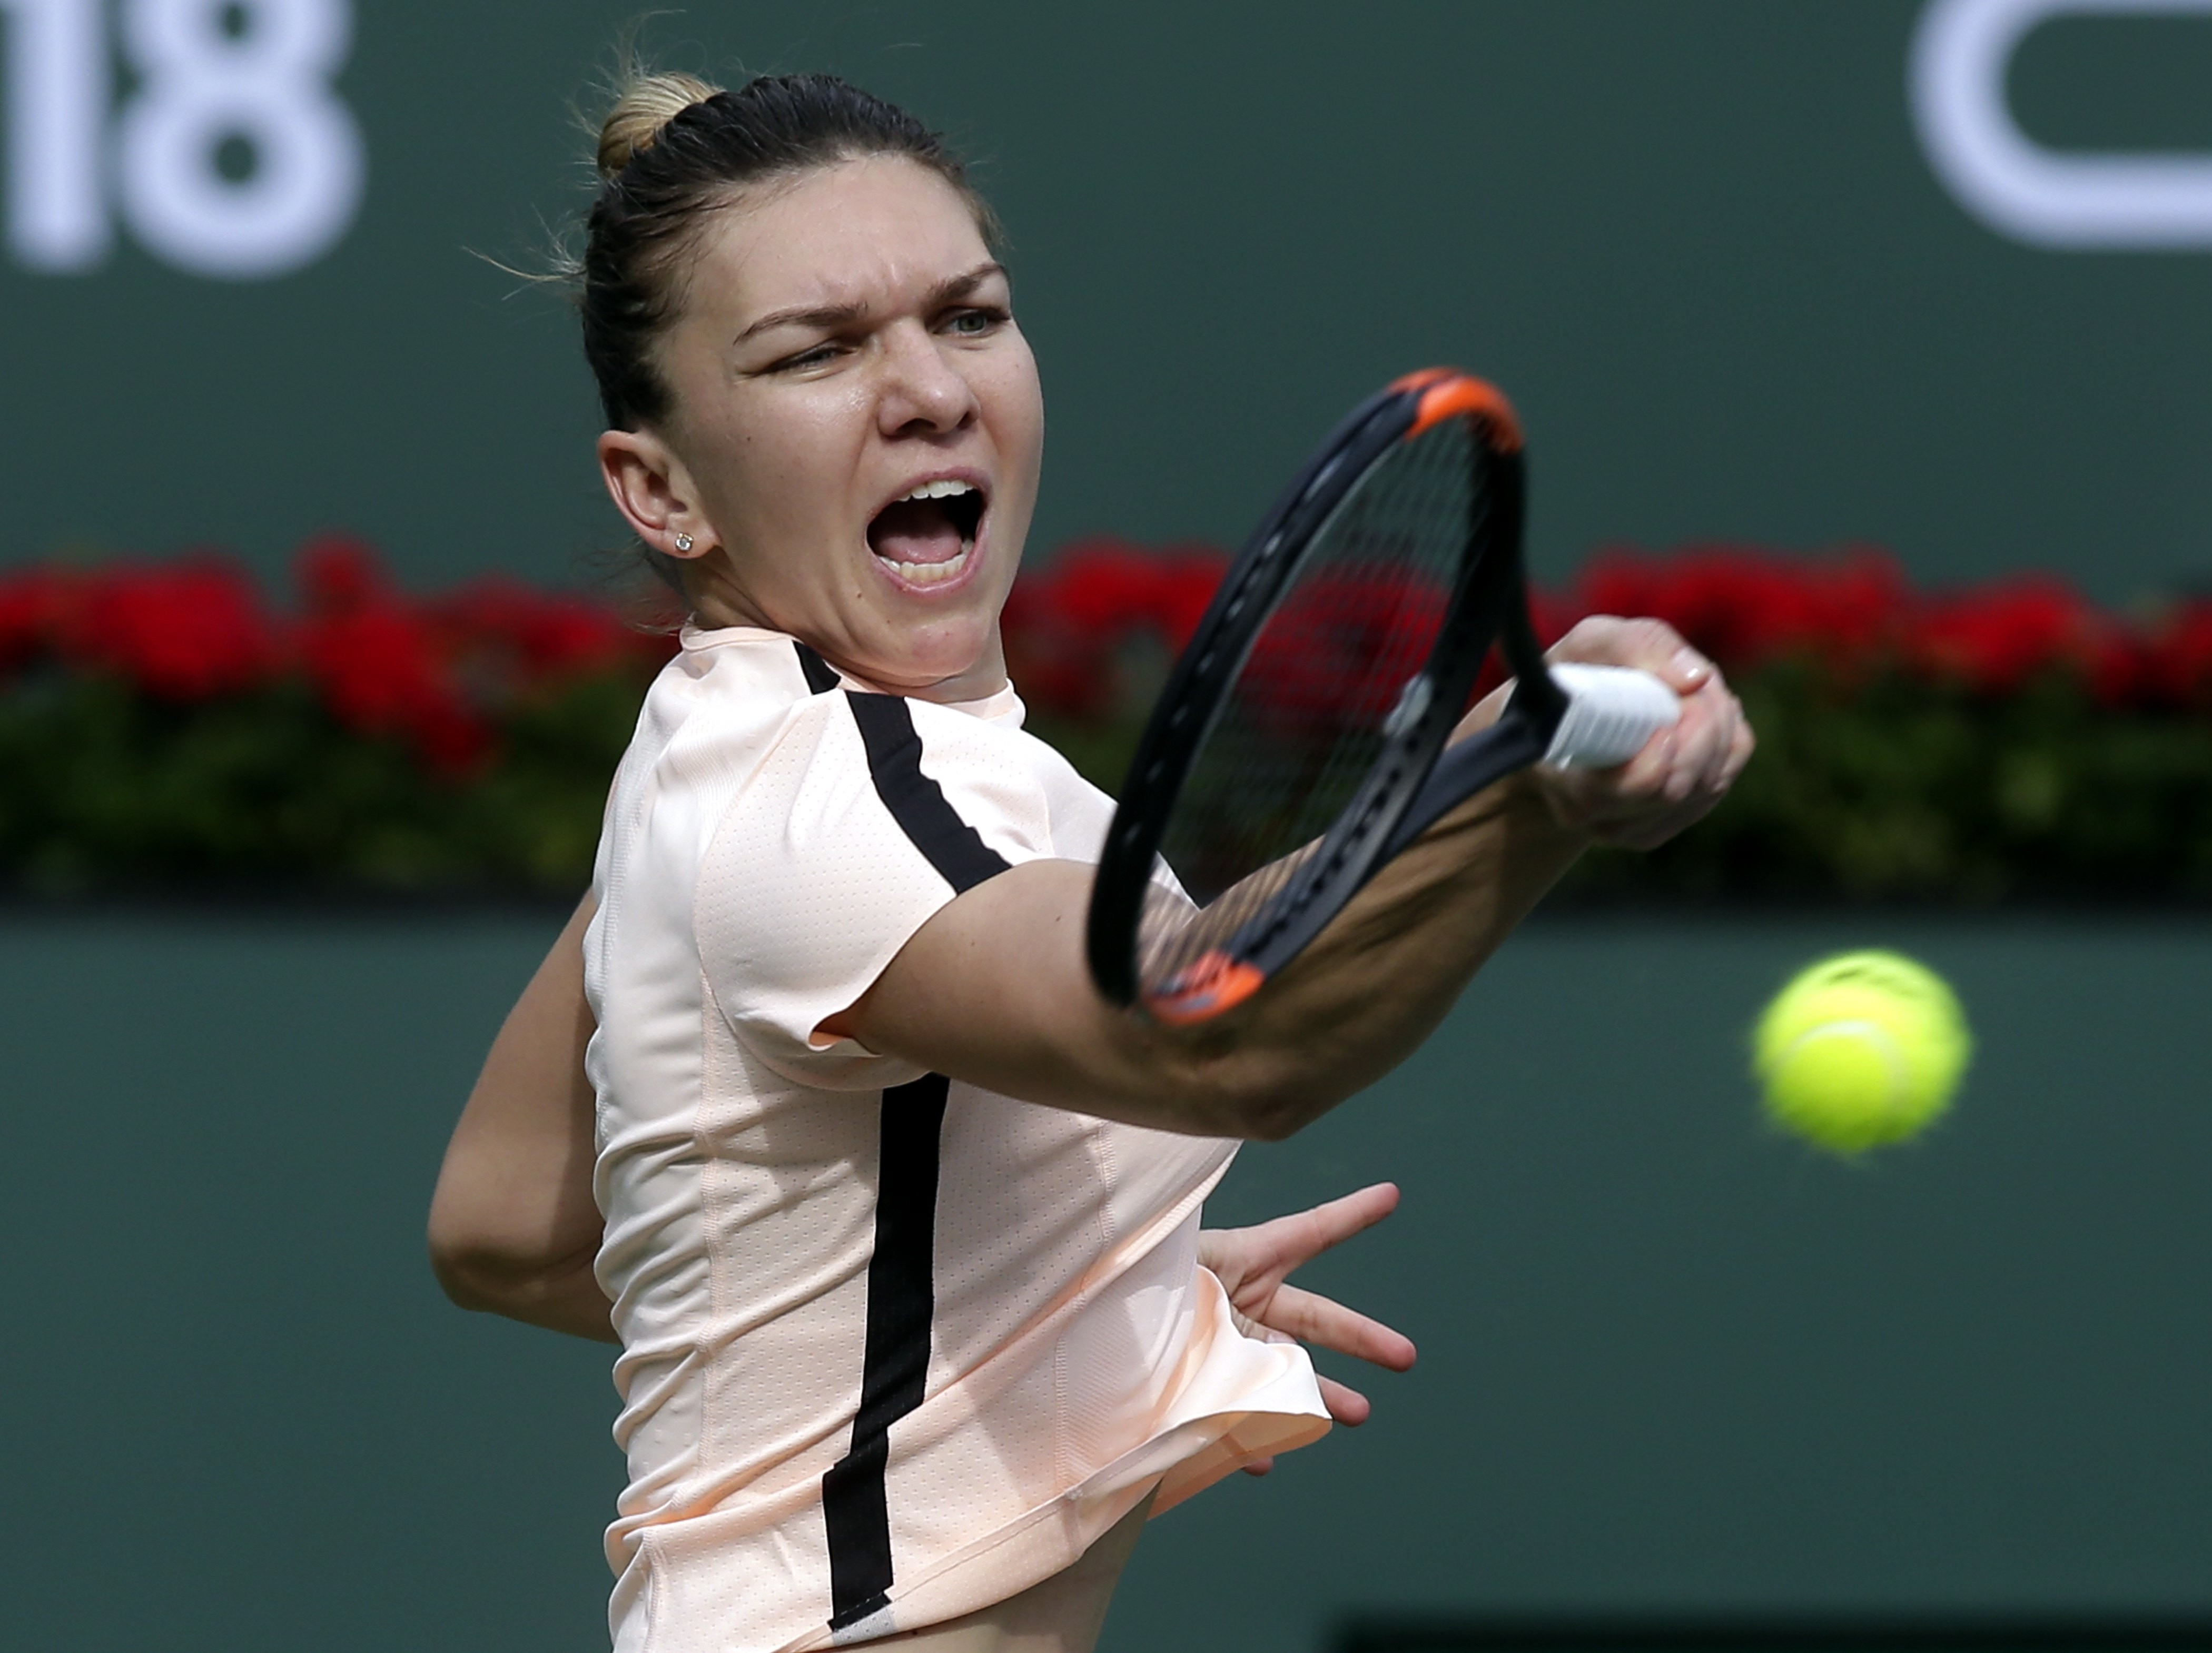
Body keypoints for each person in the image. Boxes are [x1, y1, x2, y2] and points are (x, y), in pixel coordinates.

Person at [427, 68, 1752, 1653]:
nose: (928, 389)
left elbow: (506, 1219)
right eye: (819, 351)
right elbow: (1229, 1031)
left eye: (970, 316)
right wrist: (1536, 797)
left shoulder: (725, 754)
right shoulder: (824, 797)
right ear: (662, 488)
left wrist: (1046, 1282)